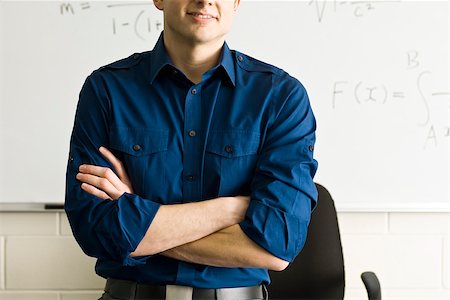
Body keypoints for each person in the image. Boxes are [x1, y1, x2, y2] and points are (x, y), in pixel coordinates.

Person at [65, 0, 318, 299]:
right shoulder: (106, 89)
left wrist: (135, 216)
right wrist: (230, 209)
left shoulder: (281, 97)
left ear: (236, 2)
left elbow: (277, 245)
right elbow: (95, 230)